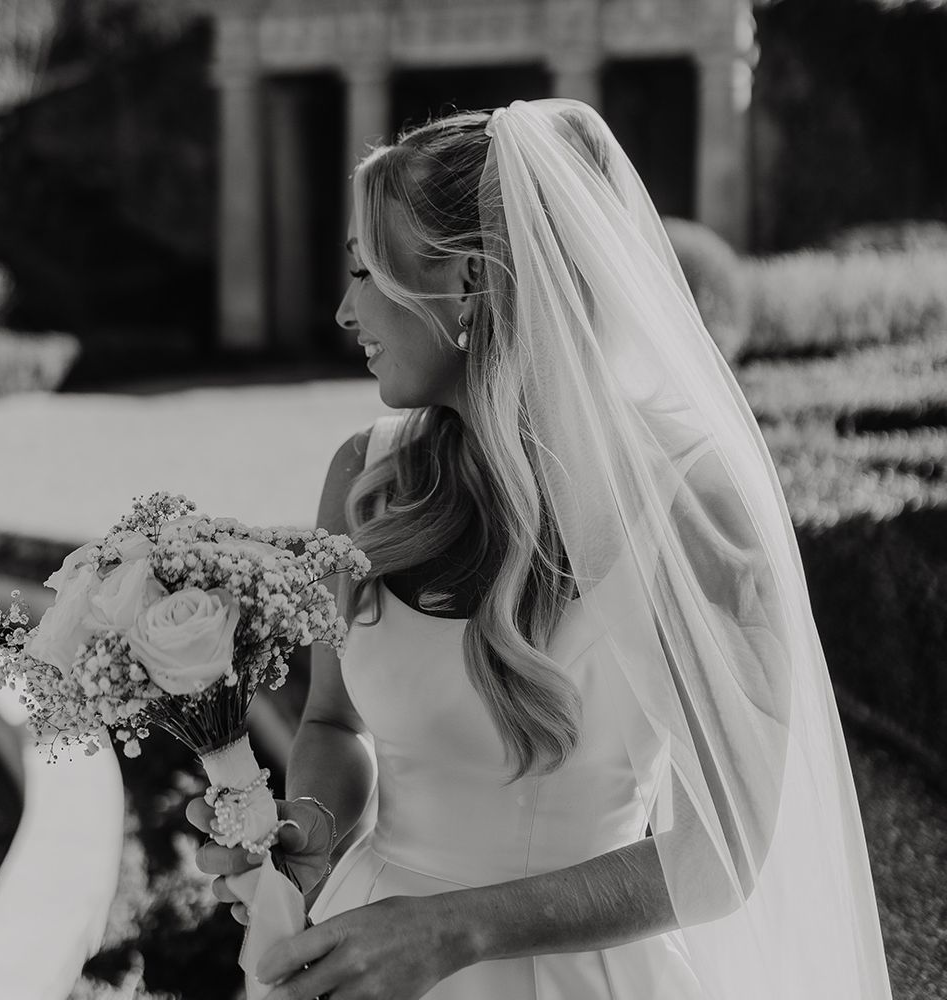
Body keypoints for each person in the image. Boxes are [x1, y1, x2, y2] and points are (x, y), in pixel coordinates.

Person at [187, 99, 893, 1000]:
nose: (340, 309)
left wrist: (461, 928)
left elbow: (728, 855)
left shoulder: (687, 500)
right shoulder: (363, 479)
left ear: (473, 284)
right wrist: (316, 826)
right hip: (361, 954)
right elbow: (331, 723)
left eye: (365, 273)